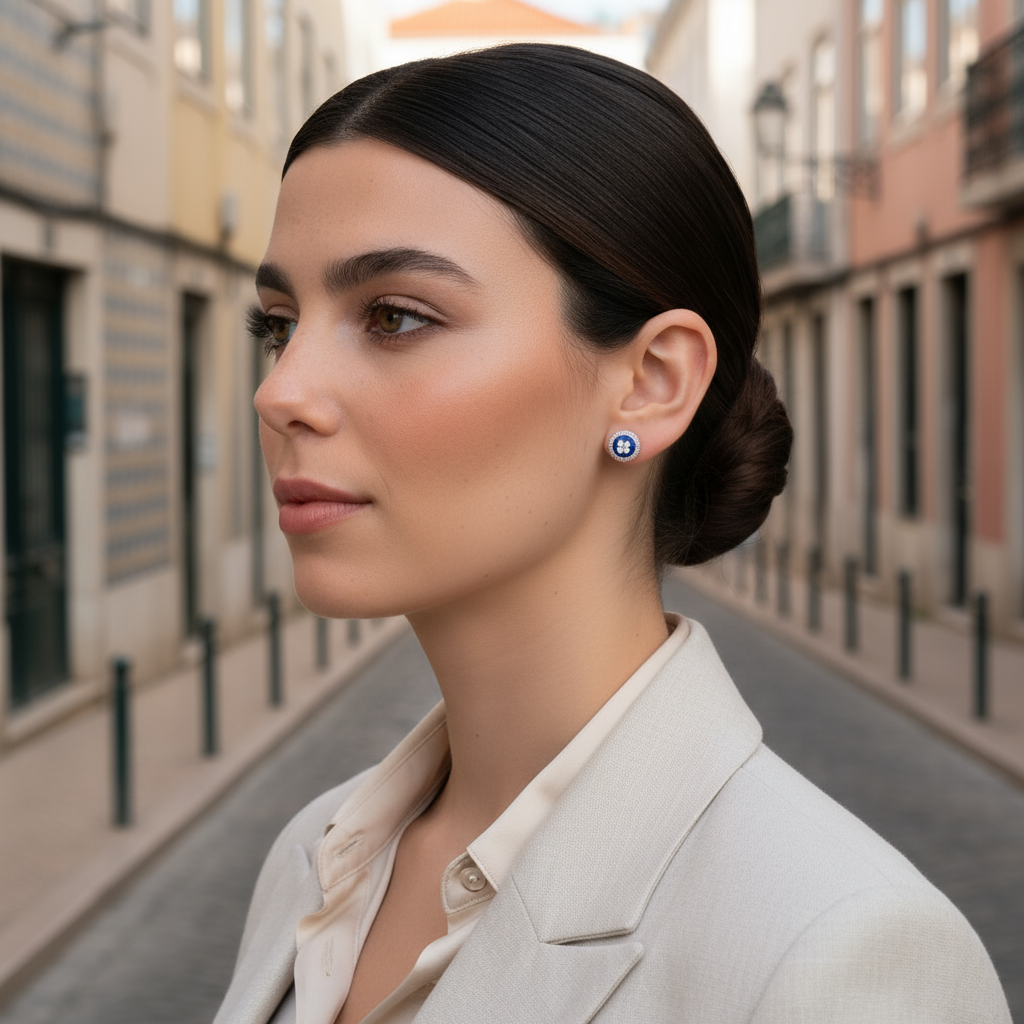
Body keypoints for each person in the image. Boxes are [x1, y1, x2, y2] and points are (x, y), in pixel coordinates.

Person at [214, 44, 1010, 1024]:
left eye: (394, 316)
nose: (281, 389)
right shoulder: (313, 854)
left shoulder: (840, 955)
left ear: (651, 381)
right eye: (278, 323)